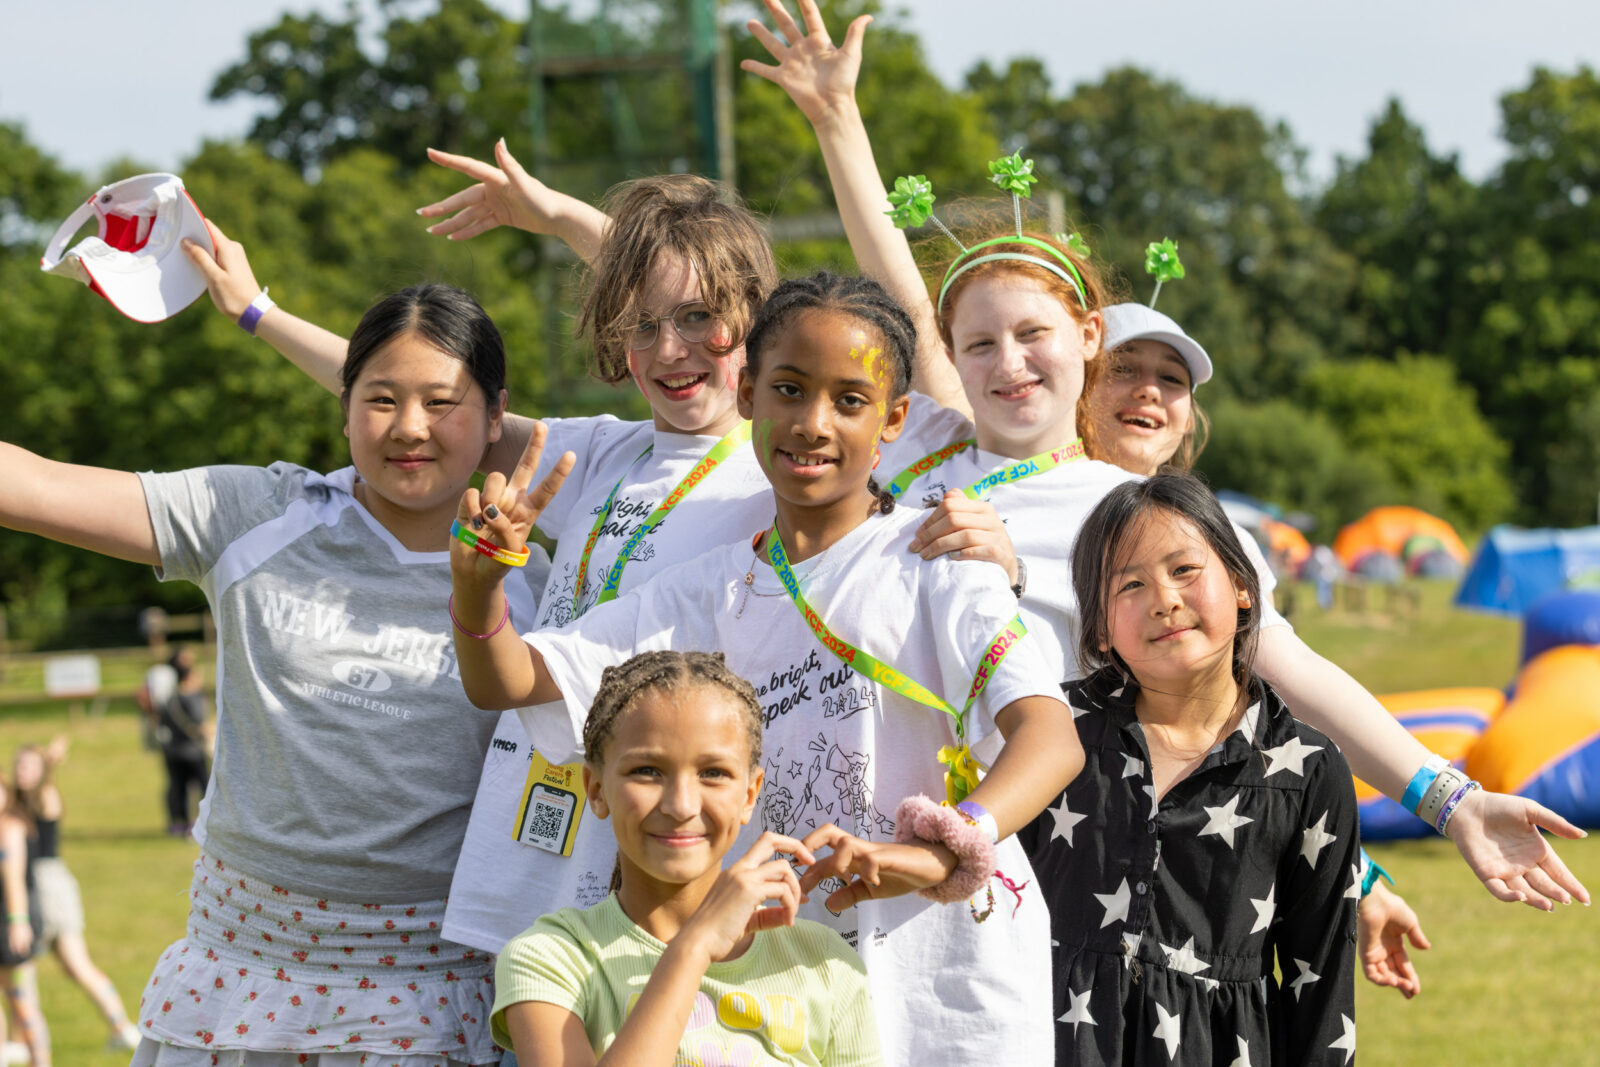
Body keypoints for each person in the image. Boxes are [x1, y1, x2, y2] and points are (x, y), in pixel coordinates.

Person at [740, 0, 1588, 912]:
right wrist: (837, 119)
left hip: (1025, 864)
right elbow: (903, 290)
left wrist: (1446, 798)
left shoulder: (1138, 514)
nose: (1007, 362)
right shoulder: (929, 434)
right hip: (849, 822)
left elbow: (1289, 668)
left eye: (1034, 334)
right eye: (977, 345)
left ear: (1087, 336)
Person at [450, 271, 1082, 1063]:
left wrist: (942, 847)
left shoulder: (939, 560)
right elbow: (508, 681)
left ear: (893, 419)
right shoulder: (707, 589)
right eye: (788, 388)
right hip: (787, 1001)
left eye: (850, 400)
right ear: (747, 391)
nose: (812, 422)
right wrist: (477, 595)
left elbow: (1050, 737)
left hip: (950, 996)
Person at [0, 279, 557, 1064]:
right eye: (380, 398)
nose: (408, 428)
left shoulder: (552, 581)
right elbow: (33, 485)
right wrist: (255, 313)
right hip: (237, 990)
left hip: (433, 1004)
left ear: (497, 414)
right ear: (342, 402)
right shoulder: (258, 515)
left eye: (442, 402)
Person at [1022, 472, 1357, 1063]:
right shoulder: (1050, 729)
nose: (1164, 600)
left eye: (1184, 570)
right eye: (1130, 584)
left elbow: (1321, 984)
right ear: (1099, 627)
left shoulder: (1308, 768)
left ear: (1243, 585)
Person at [493, 650, 881, 1065]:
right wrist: (694, 947)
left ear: (750, 795)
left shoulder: (822, 962)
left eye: (713, 773)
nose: (681, 806)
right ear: (596, 789)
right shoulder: (550, 957)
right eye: (646, 770)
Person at [10, 740, 140, 1051]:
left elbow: (41, 791)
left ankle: (122, 1027)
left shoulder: (45, 796)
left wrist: (49, 764)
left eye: (29, 766)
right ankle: (119, 1027)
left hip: (47, 890)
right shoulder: (19, 800)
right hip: (41, 888)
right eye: (18, 765)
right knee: (53, 967)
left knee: (42, 965)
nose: (21, 772)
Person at [0, 769, 44, 1065]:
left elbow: (13, 879)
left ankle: (41, 1061)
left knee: (23, 1001)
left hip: (11, 922)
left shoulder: (9, 828)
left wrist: (18, 923)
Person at [149, 647, 210, 837]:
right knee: (203, 788)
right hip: (192, 751)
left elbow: (161, 720)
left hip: (172, 750)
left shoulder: (169, 697)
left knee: (177, 788)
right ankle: (200, 824)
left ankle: (178, 824)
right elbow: (200, 722)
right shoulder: (193, 697)